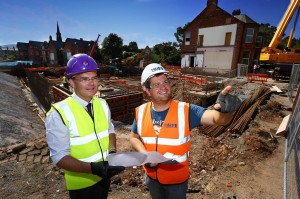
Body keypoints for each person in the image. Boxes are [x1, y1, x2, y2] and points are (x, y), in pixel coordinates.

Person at [129, 63, 241, 199]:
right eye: (156, 84)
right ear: (147, 90)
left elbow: (218, 119)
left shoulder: (186, 111)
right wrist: (144, 153)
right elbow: (133, 137)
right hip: (152, 179)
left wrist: (226, 110)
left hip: (177, 182)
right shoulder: (140, 112)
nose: (163, 87)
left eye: (165, 82)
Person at [45, 53, 124, 199]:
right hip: (81, 184)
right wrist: (94, 169)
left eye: (94, 78)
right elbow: (59, 157)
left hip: (104, 178)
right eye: (84, 79)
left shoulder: (102, 104)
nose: (91, 83)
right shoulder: (58, 113)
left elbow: (110, 130)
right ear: (71, 82)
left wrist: (112, 152)